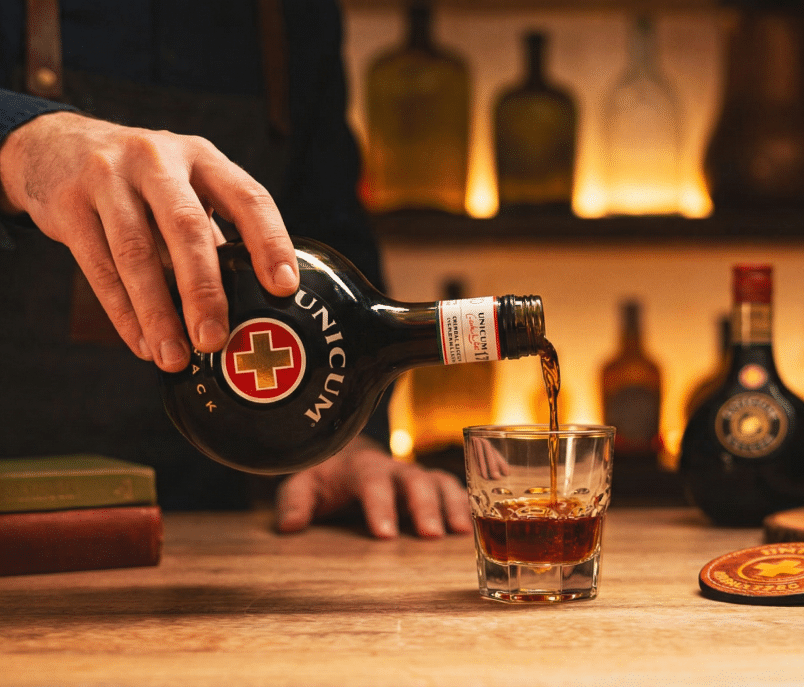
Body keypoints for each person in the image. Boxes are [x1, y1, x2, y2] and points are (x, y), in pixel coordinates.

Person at [0, 0, 471, 539]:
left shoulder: (298, 15)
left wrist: (347, 442)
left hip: (209, 526)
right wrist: (23, 142)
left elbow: (329, 247)